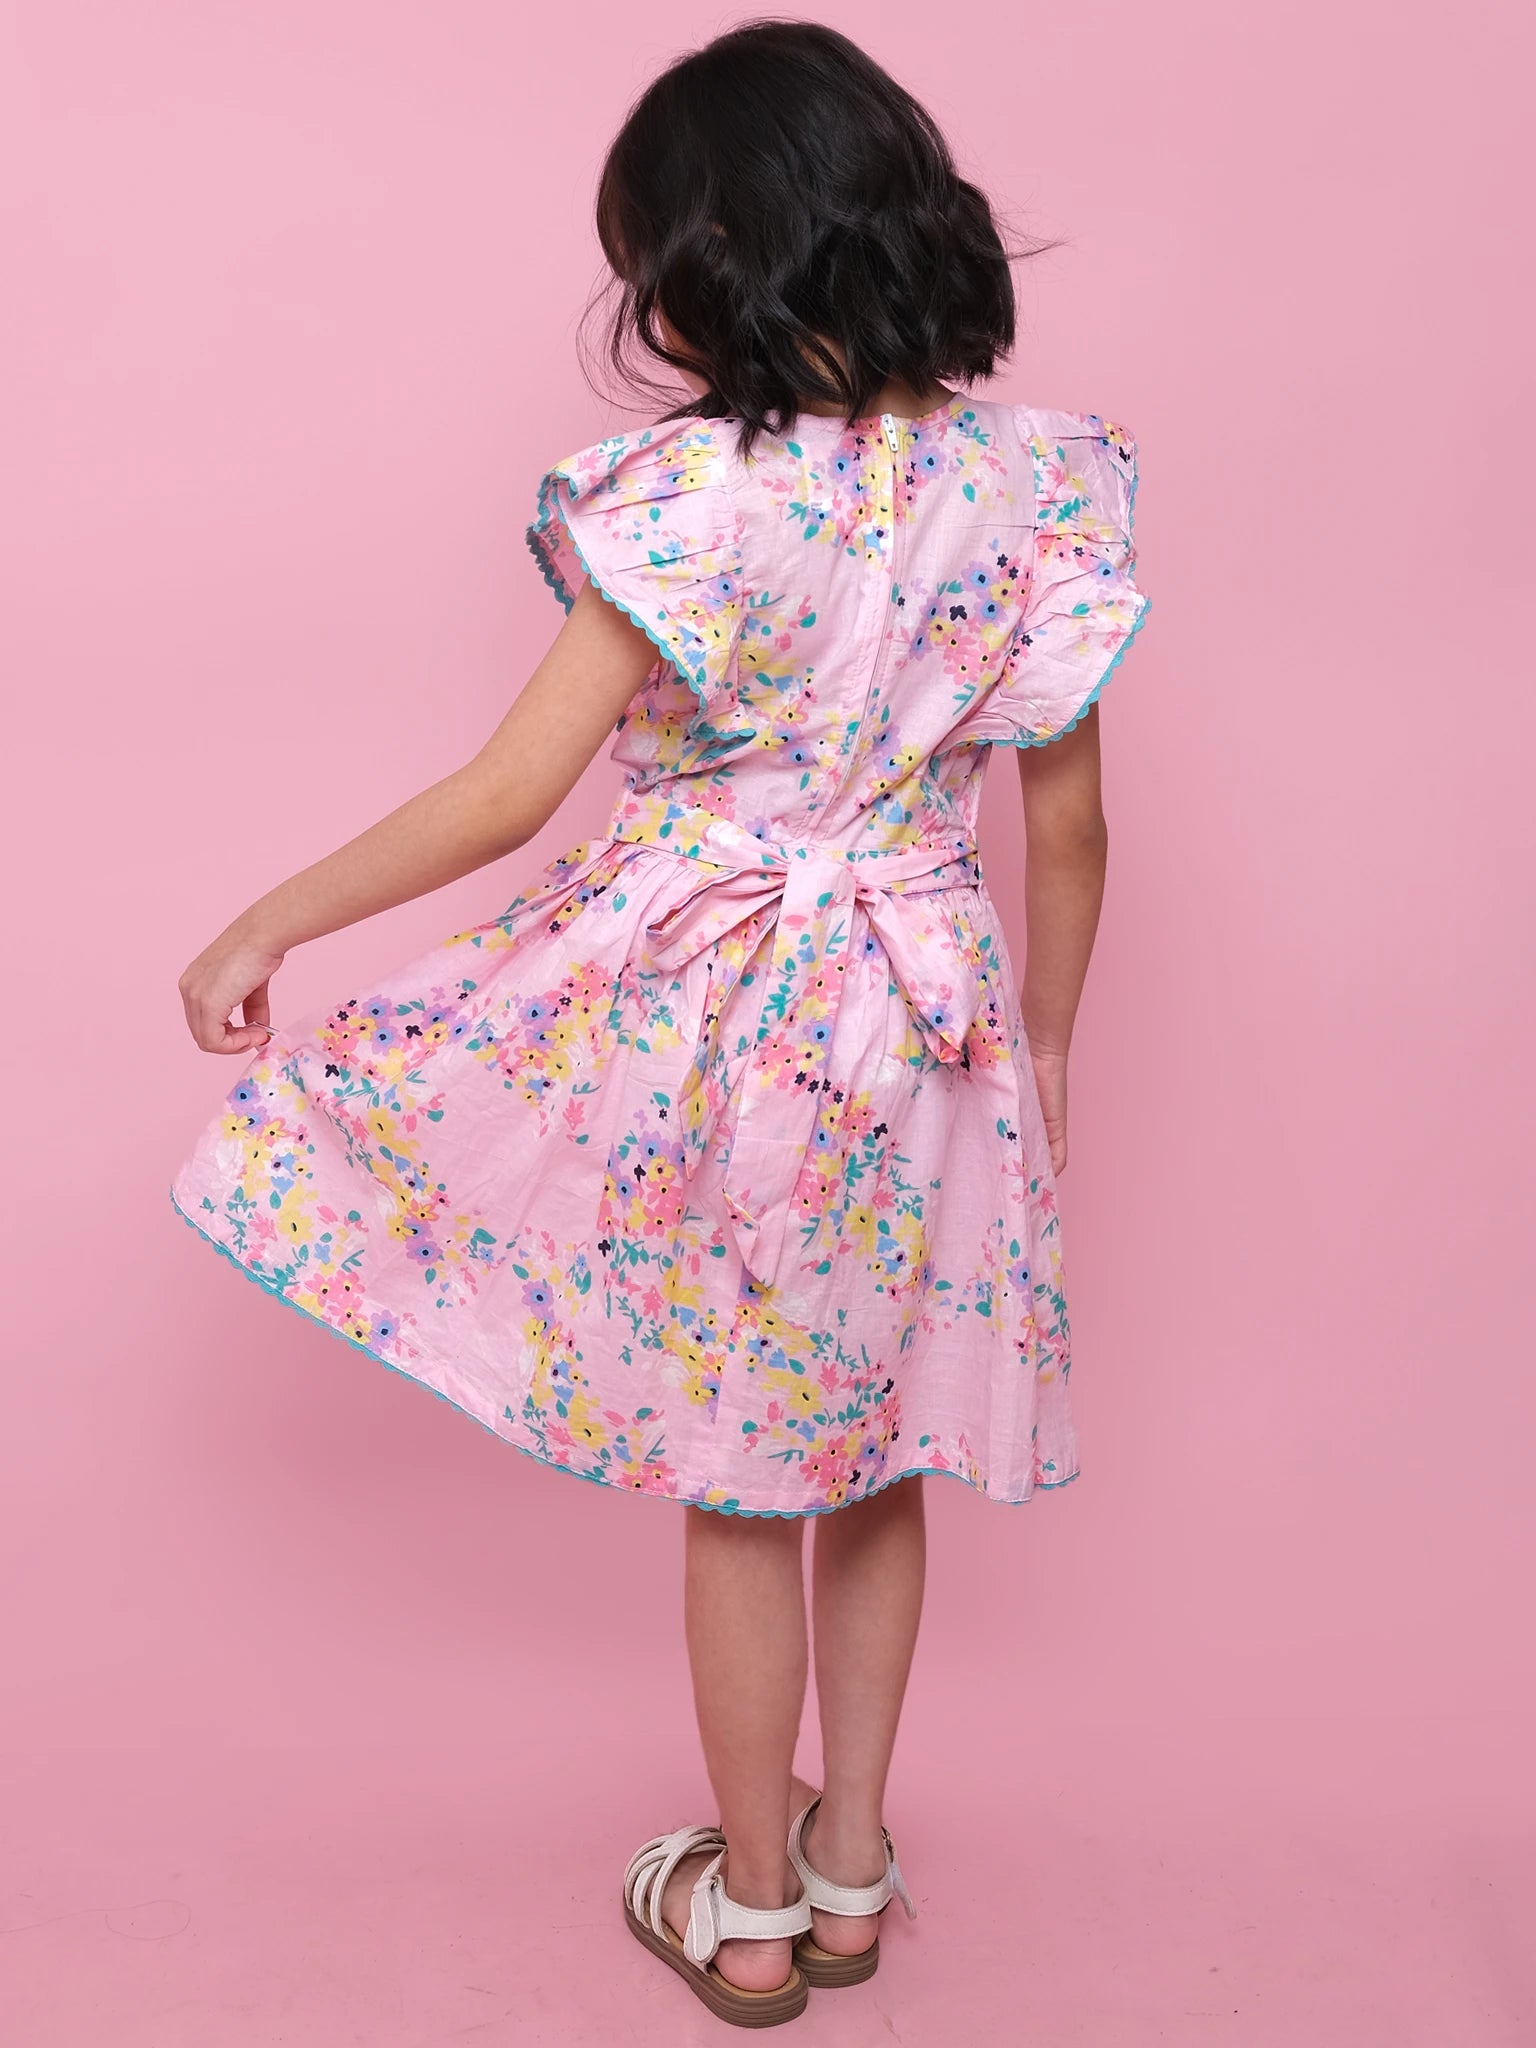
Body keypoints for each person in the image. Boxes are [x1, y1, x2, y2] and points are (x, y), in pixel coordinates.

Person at [170, 18, 1150, 2029]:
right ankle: (856, 1868)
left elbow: (508, 794)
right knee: (880, 1448)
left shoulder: (692, 500)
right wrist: (1045, 1043)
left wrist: (269, 917)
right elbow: (1070, 825)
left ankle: (756, 1910)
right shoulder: (1040, 490)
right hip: (928, 1010)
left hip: (723, 1013)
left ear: (712, 266)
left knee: (745, 1466)